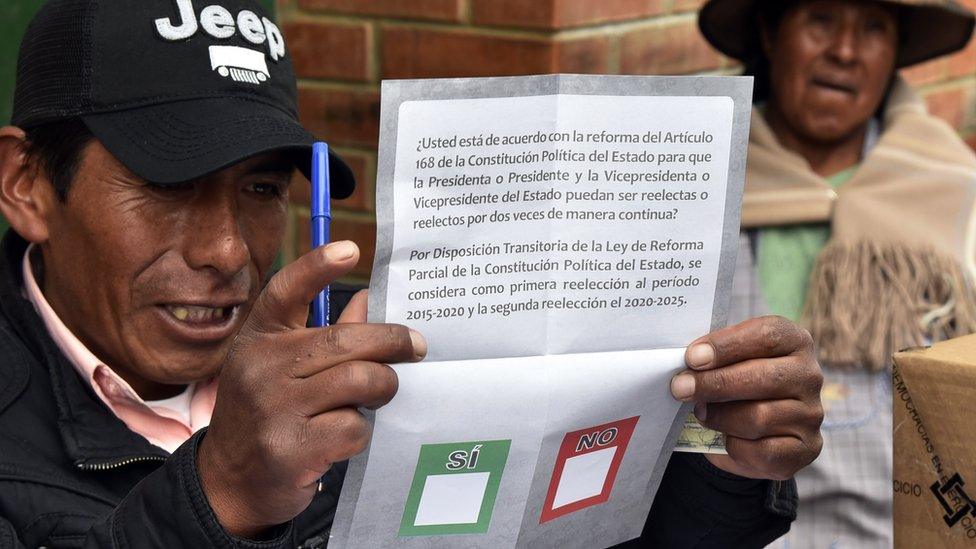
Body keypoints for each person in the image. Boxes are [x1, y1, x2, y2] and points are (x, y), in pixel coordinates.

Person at [0, 0, 823, 547]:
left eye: (260, 187)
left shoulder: (350, 362)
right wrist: (218, 496)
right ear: (27, 184)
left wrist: (725, 467)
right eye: (165, 185)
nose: (225, 250)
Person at [698, 0, 976, 546]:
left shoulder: (955, 194)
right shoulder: (697, 186)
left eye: (874, 29)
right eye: (821, 20)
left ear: (894, 52)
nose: (845, 52)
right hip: (731, 531)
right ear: (771, 33)